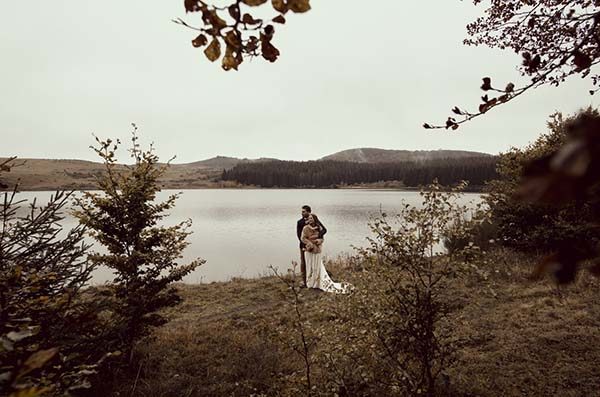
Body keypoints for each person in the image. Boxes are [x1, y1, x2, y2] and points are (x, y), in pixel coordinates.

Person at [301, 213, 351, 293]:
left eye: (311, 218)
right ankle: (310, 283)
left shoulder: (319, 228)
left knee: (316, 267)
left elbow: (322, 238)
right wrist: (310, 244)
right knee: (309, 266)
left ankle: (316, 283)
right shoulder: (305, 228)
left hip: (317, 249)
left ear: (315, 219)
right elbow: (303, 238)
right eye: (309, 218)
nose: (310, 220)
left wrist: (319, 241)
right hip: (309, 250)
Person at [296, 205, 326, 287]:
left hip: (316, 245)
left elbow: (324, 230)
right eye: (302, 211)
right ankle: (304, 280)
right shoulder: (300, 222)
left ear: (309, 212)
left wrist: (318, 238)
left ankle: (314, 280)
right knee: (303, 262)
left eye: (304, 211)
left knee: (314, 263)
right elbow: (299, 236)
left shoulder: (315, 220)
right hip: (304, 245)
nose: (302, 213)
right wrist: (307, 245)